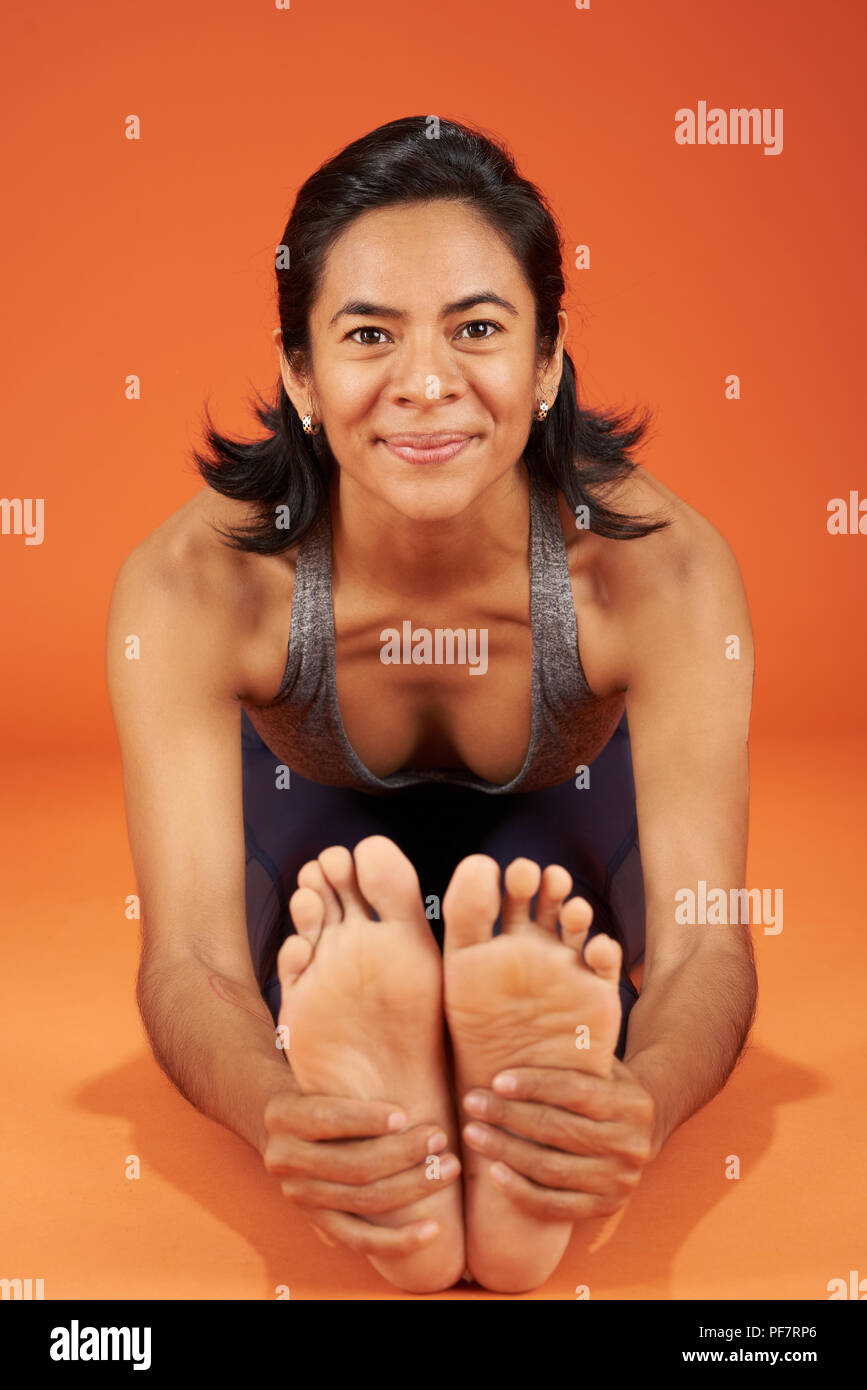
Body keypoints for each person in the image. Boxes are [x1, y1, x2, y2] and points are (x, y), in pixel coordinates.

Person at [106, 115, 757, 1296]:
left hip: (558, 836)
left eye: (478, 329)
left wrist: (644, 1105)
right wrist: (276, 1116)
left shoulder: (658, 570)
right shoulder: (195, 584)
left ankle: (519, 1104)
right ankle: (379, 1086)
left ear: (549, 361)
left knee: (568, 904)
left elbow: (709, 931)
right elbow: (189, 953)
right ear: (300, 371)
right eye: (368, 334)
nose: (424, 383)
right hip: (317, 844)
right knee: (308, 913)